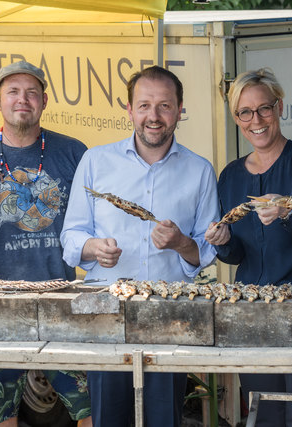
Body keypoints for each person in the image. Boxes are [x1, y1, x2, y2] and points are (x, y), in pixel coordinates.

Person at [60, 65, 219, 427]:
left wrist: (181, 243)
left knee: (164, 417)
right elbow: (70, 237)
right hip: (107, 313)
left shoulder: (199, 170)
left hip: (170, 316)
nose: (154, 116)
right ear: (129, 109)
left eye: (165, 106)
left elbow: (206, 253)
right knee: (109, 417)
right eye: (144, 105)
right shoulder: (96, 162)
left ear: (180, 110)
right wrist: (93, 248)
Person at [0, 61, 92, 427]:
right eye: (13, 91)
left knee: (89, 408)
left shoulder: (75, 153)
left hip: (62, 300)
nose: (22, 99)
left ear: (43, 101)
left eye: (31, 92)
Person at [204, 68, 292, 427]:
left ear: (279, 108)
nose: (256, 120)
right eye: (245, 112)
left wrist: (285, 209)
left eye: (264, 108)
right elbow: (236, 256)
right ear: (236, 118)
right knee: (266, 413)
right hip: (254, 312)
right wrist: (222, 241)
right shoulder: (231, 175)